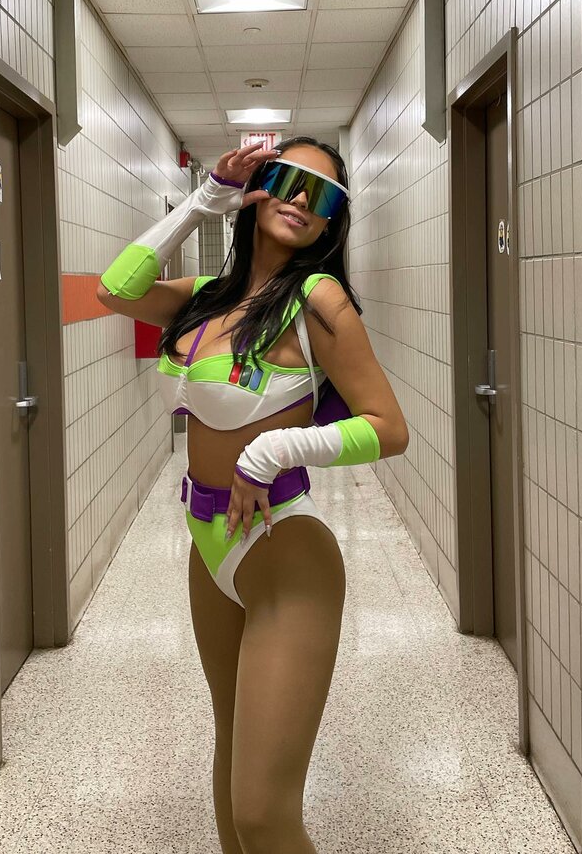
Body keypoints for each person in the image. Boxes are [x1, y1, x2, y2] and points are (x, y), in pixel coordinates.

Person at [96, 136, 409, 854]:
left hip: (283, 551)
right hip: (206, 546)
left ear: (332, 221)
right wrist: (205, 199)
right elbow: (114, 289)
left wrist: (274, 451)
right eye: (288, 181)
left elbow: (389, 428)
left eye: (322, 195)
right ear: (259, 188)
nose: (301, 201)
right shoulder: (205, 297)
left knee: (265, 814)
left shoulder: (316, 299)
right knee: (232, 760)